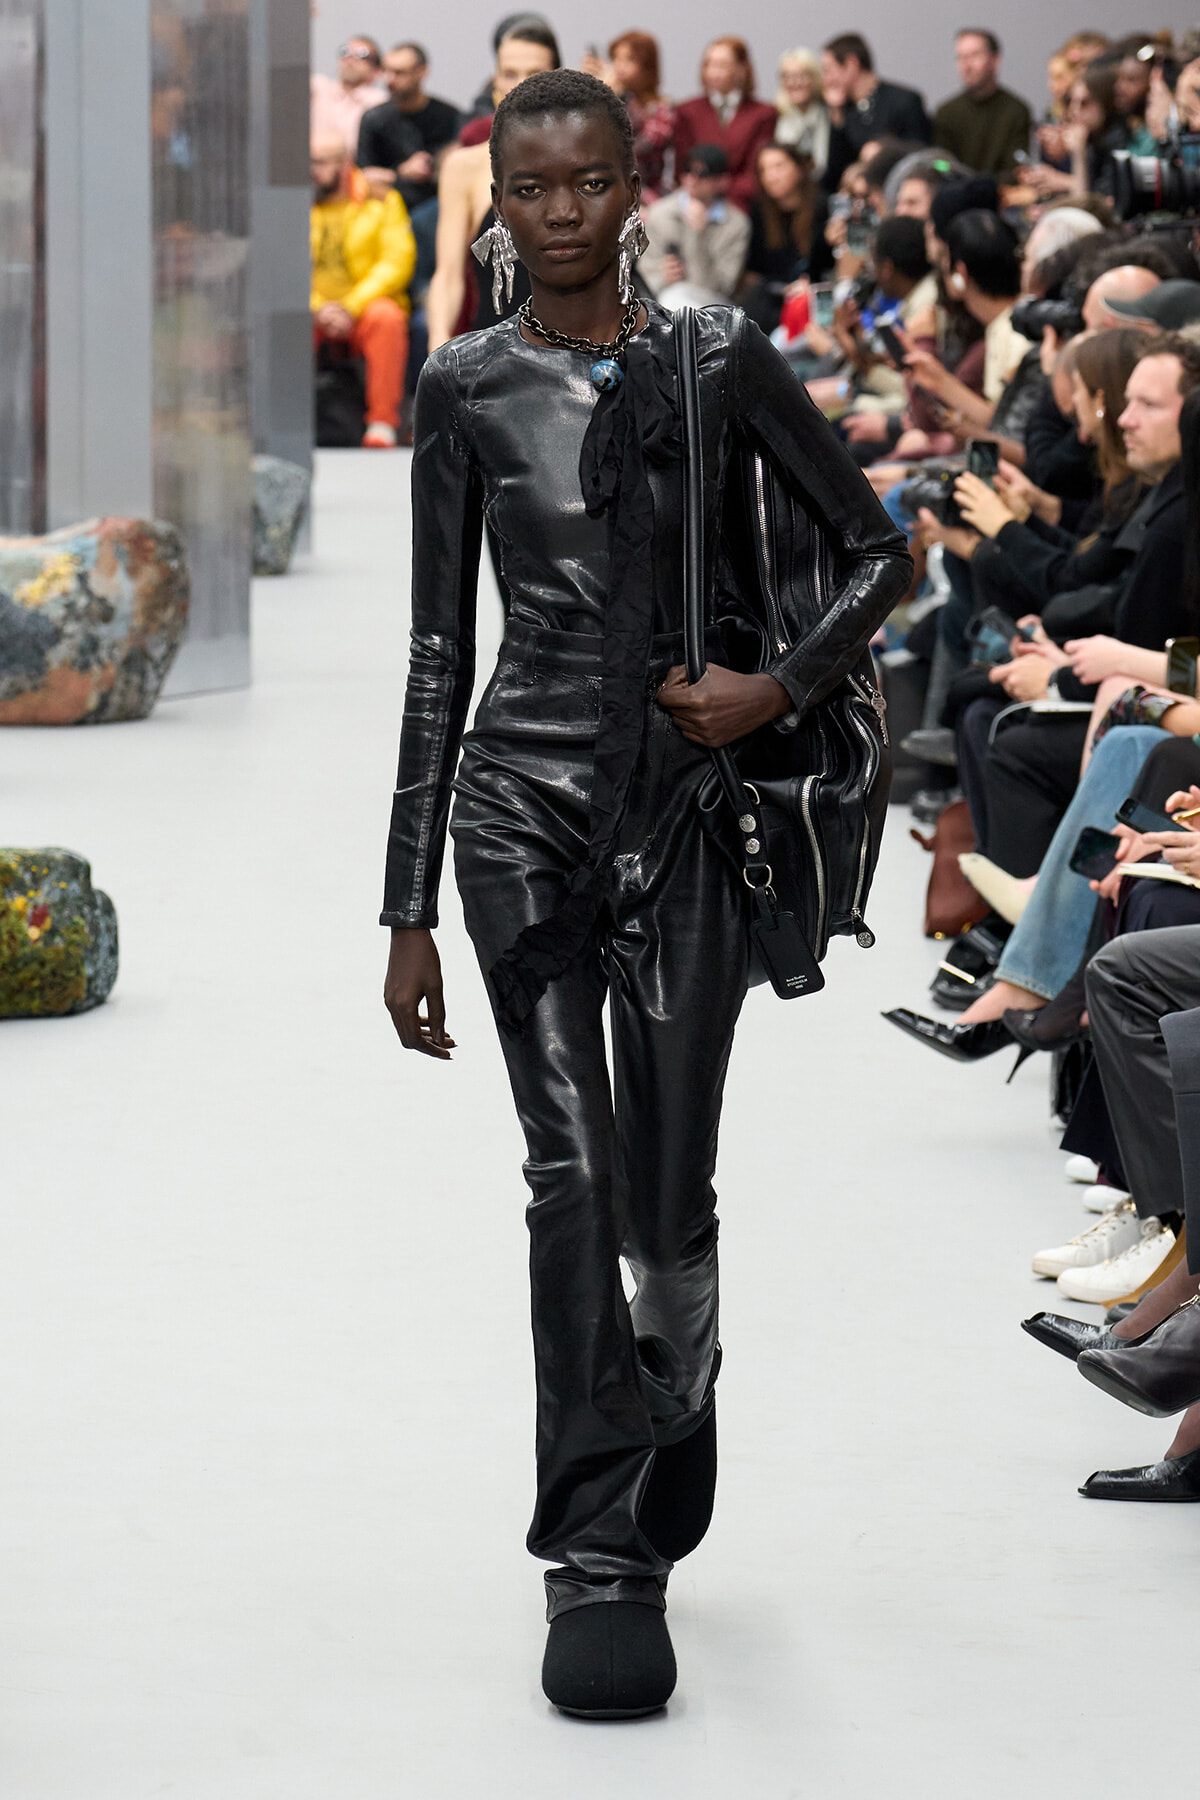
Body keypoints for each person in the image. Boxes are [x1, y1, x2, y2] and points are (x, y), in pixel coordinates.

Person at [379, 66, 909, 1719]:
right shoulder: (463, 387)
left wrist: (775, 691)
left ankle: (676, 1371)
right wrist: (404, 902)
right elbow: (436, 652)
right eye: (528, 189)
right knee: (572, 1182)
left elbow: (884, 550)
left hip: (682, 808)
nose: (558, 216)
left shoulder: (714, 357)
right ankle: (598, 1557)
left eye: (588, 185)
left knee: (668, 1205)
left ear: (636, 183)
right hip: (516, 808)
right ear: (493, 194)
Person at [424, 24, 559, 348]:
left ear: (556, 78)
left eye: (534, 72)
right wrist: (438, 343)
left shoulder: (585, 160)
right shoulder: (465, 167)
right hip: (494, 354)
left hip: (578, 351)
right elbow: (448, 274)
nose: (520, 84)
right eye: (509, 73)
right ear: (496, 80)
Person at [310, 133, 416, 449]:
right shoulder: (297, 201)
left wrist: (350, 306)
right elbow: (282, 263)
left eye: (319, 163)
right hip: (314, 309)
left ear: (345, 164)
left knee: (387, 318)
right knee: (282, 317)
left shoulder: (381, 199)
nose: (311, 170)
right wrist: (317, 306)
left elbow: (397, 261)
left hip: (362, 306)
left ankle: (382, 424)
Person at [672, 37, 778, 213]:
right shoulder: (687, 111)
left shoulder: (763, 114)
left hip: (743, 204)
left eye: (721, 65)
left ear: (743, 69)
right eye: (708, 65)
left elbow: (756, 173)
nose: (713, 72)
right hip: (694, 202)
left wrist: (718, 189)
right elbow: (682, 169)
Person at [640, 143, 751, 309]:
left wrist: (699, 235)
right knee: (673, 296)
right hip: (663, 302)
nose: (692, 179)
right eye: (687, 170)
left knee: (678, 298)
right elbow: (645, 272)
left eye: (702, 173)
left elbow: (724, 287)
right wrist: (662, 275)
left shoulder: (736, 224)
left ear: (722, 181)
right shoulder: (661, 213)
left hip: (714, 305)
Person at [356, 44, 462, 214]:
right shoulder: (373, 119)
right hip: (388, 211)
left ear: (421, 72)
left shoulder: (449, 116)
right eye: (386, 71)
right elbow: (362, 176)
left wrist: (436, 166)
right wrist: (401, 173)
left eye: (399, 73)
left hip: (439, 209)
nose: (390, 80)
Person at [820, 33, 930, 192]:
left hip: (899, 191)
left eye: (828, 70)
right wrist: (836, 117)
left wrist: (885, 150)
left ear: (851, 64)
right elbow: (834, 175)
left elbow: (924, 153)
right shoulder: (845, 110)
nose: (826, 80)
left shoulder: (904, 100)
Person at [739, 142, 830, 333]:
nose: (771, 177)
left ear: (798, 168)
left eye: (779, 166)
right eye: (764, 170)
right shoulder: (760, 210)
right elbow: (756, 268)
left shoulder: (821, 206)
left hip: (811, 295)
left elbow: (826, 266)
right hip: (774, 294)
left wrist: (809, 286)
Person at [582, 32, 676, 203]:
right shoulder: (610, 100)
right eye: (616, 59)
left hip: (649, 194)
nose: (619, 66)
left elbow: (639, 146)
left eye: (629, 60)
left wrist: (614, 97)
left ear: (647, 66)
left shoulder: (662, 107)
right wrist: (593, 92)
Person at [931, 29, 1032, 176]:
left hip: (1002, 194)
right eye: (961, 57)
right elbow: (940, 164)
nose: (966, 65)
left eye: (974, 55)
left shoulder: (1016, 111)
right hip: (957, 194)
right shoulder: (946, 113)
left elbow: (1017, 168)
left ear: (994, 60)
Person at [310, 35, 387, 148]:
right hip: (313, 163)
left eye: (362, 54)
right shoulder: (321, 89)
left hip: (358, 164)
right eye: (345, 51)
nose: (350, 58)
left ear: (377, 70)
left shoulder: (380, 101)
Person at [774, 48, 830, 180]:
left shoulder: (829, 113)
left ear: (814, 79)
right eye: (787, 77)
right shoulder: (776, 116)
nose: (795, 82)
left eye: (802, 76)